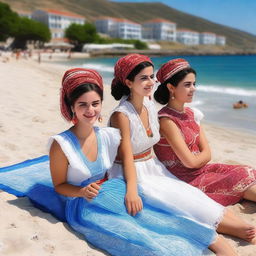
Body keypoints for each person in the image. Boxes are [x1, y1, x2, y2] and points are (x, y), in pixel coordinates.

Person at [108, 53, 256, 254]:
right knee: (177, 204)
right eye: (144, 78)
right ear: (128, 82)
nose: (151, 82)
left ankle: (239, 226)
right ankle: (234, 230)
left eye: (152, 77)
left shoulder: (149, 104)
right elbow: (126, 156)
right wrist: (132, 191)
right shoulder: (121, 115)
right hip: (132, 172)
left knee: (192, 196)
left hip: (153, 166)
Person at [153, 58, 256, 208]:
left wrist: (199, 159)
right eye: (187, 85)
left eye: (194, 84)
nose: (193, 89)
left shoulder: (191, 113)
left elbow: (208, 153)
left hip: (201, 170)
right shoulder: (166, 120)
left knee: (245, 171)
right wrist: (199, 159)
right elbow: (190, 162)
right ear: (171, 87)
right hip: (186, 178)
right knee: (236, 179)